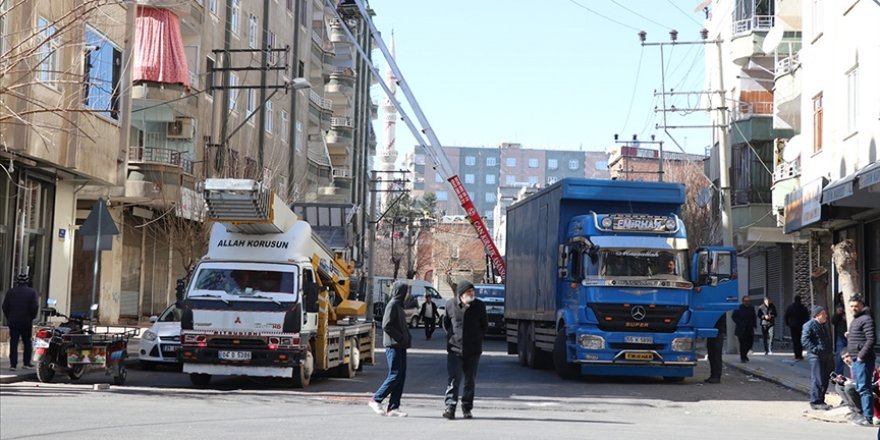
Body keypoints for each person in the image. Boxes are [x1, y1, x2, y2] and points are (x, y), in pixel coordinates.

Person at [442, 280, 487, 420]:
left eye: (473, 292)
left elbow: (484, 326)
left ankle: (467, 408)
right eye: (469, 292)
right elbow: (446, 324)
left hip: (473, 350)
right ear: (461, 294)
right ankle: (450, 407)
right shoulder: (450, 305)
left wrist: (477, 338)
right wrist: (452, 338)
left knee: (469, 381)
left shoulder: (479, 306)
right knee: (454, 379)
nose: (472, 294)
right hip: (455, 349)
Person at [367, 283, 412, 417]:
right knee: (395, 374)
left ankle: (393, 407)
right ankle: (376, 399)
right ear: (401, 292)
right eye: (406, 291)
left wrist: (406, 338)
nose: (408, 294)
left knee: (401, 375)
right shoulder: (392, 305)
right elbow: (387, 325)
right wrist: (400, 338)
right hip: (393, 345)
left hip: (400, 345)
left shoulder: (398, 305)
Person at [846, 293, 876, 427]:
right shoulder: (857, 319)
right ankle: (863, 415)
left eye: (856, 306)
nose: (853, 308)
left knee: (864, 388)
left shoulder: (866, 319)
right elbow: (861, 336)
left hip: (863, 360)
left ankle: (868, 417)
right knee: (859, 387)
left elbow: (871, 339)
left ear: (861, 305)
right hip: (856, 359)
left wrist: (860, 356)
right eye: (851, 306)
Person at [2, 274, 40, 371]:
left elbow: (5, 306)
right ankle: (26, 363)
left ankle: (13, 365)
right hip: (26, 321)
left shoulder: (11, 292)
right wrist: (32, 316)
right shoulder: (32, 292)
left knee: (13, 342)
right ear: (28, 281)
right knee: (27, 341)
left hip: (13, 321)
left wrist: (9, 317)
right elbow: (35, 306)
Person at [801, 305, 834, 411]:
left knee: (824, 379)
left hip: (825, 356)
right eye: (824, 314)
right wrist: (816, 350)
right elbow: (805, 340)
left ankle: (821, 400)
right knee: (818, 379)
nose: (826, 316)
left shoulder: (822, 326)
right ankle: (815, 401)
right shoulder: (809, 325)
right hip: (816, 357)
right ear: (818, 315)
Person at [784, 295, 810, 360]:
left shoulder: (790, 307)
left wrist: (787, 323)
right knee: (800, 340)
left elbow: (786, 316)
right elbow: (807, 317)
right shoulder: (803, 308)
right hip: (801, 326)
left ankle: (796, 354)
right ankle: (800, 355)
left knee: (795, 340)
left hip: (793, 326)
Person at [732, 296, 757, 363]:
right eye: (746, 301)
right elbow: (734, 317)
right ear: (743, 301)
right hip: (741, 329)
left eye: (748, 301)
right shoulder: (738, 308)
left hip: (749, 329)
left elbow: (754, 317)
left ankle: (745, 354)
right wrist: (739, 323)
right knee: (743, 344)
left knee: (749, 344)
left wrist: (754, 325)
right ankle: (742, 357)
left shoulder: (751, 308)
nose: (747, 302)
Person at [704, 314, 726, 384]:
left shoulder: (721, 313)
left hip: (717, 333)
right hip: (712, 333)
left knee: (716, 355)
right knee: (712, 355)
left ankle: (716, 376)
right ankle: (713, 375)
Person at [831, 292, 848, 375]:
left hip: (852, 336)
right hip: (841, 336)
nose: (842, 299)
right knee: (839, 356)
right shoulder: (838, 307)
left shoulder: (852, 307)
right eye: (841, 297)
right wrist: (837, 314)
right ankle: (839, 375)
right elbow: (833, 321)